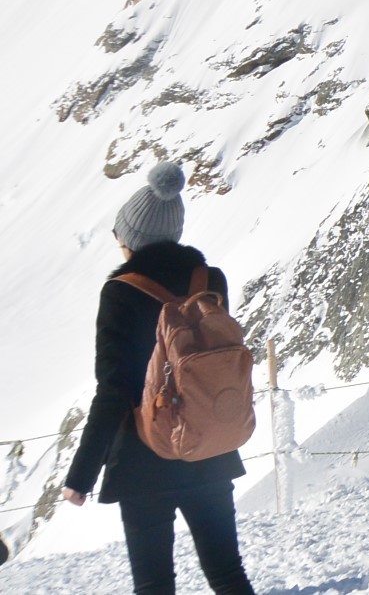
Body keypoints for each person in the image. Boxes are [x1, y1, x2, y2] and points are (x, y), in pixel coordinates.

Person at [59, 161, 257, 595]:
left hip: (144, 456)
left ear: (130, 238)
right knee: (227, 574)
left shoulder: (120, 292)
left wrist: (81, 476)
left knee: (153, 585)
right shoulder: (211, 281)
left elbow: (113, 389)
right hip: (209, 444)